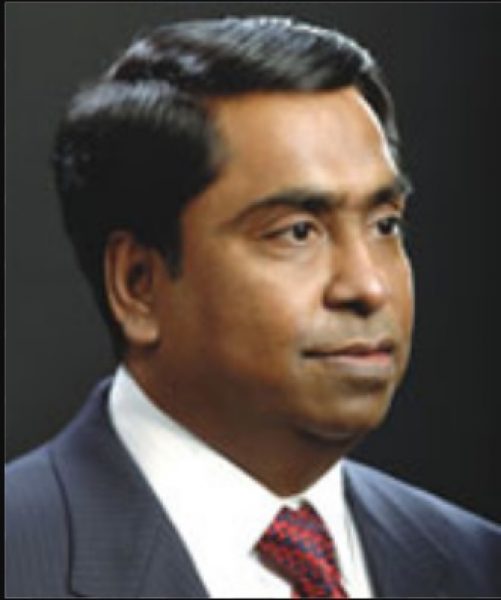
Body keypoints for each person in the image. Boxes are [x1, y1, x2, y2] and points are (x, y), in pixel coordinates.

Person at [5, 15, 501, 599]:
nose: (368, 286)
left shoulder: (478, 564)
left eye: (384, 224)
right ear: (138, 285)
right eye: (297, 232)